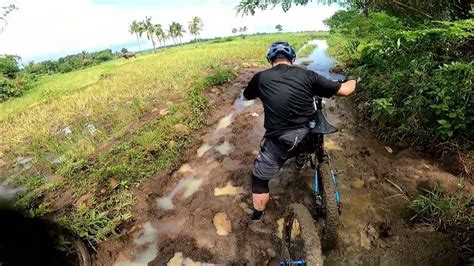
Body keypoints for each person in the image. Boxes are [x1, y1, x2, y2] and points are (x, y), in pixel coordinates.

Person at [242, 41, 358, 220]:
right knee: (312, 136)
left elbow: (247, 95)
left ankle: (259, 215)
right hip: (308, 136)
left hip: (280, 141)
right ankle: (304, 157)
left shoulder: (260, 78)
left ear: (270, 60)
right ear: (292, 59)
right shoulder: (308, 75)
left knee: (259, 179)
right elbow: (345, 90)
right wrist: (353, 79)